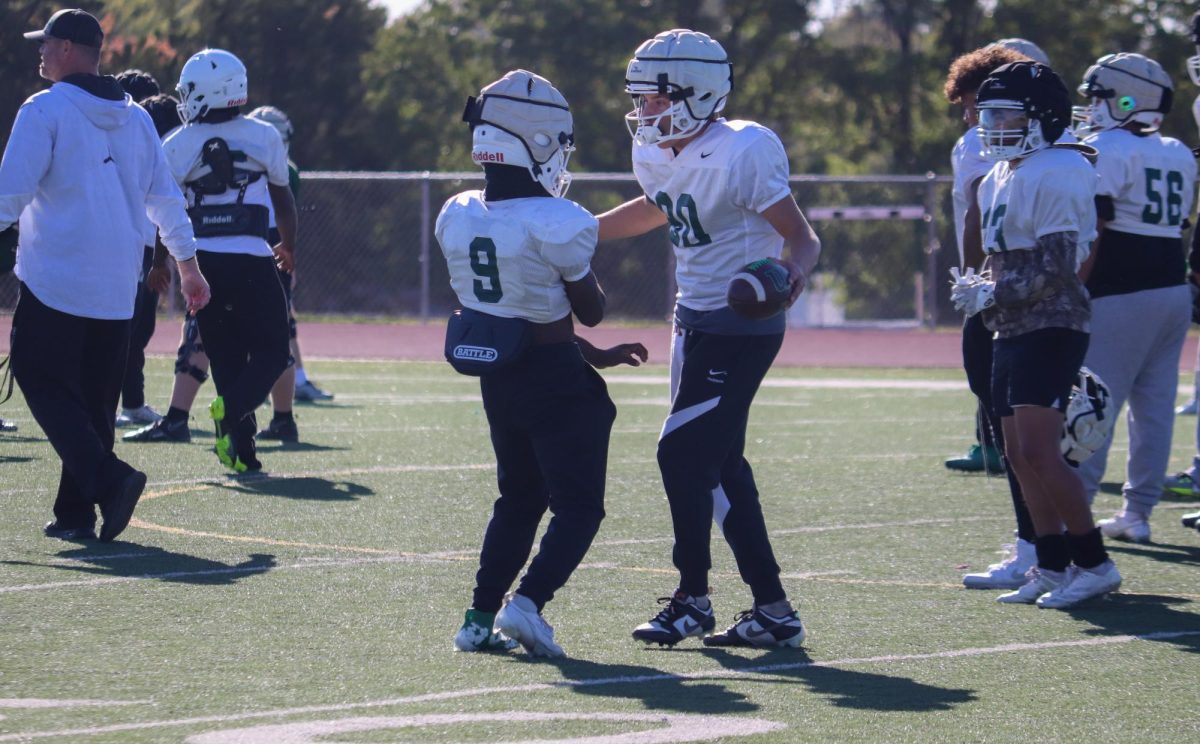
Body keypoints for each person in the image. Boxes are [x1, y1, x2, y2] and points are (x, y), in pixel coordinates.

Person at [596, 29, 819, 648]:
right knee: (717, 464)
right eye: (640, 98)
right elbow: (658, 206)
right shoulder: (658, 152)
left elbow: (802, 238)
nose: (644, 110)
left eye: (656, 98)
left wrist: (791, 274)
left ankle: (694, 598)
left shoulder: (743, 150)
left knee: (682, 454)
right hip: (690, 319)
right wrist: (585, 231)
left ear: (696, 93)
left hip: (743, 325)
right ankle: (773, 611)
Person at [443, 70, 647, 658]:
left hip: (502, 376)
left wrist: (595, 356)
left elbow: (512, 316)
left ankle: (476, 621)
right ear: (539, 141)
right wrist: (589, 329)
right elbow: (590, 310)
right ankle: (527, 604)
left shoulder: (458, 213)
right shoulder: (559, 220)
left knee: (518, 500)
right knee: (579, 506)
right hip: (554, 377)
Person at [0, 8, 209, 541]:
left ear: (68, 48)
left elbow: (10, 194)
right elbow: (166, 200)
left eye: (46, 44)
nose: (41, 52)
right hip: (119, 285)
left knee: (39, 376)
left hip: (57, 280)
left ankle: (110, 481)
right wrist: (188, 266)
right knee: (95, 402)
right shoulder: (138, 117)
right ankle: (75, 515)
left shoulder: (43, 109)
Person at [955, 60, 1120, 607]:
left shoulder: (1060, 169)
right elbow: (1006, 263)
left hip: (1052, 323)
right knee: (1017, 453)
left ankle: (1093, 562)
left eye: (1005, 113)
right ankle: (1049, 564)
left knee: (1042, 453)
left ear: (1042, 117)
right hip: (1011, 325)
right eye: (988, 113)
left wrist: (992, 293)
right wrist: (983, 286)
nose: (992, 124)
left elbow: (1056, 267)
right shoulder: (1003, 174)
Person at [1067, 53, 1193, 545]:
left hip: (1120, 291)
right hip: (1171, 289)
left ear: (1126, 101)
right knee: (1154, 409)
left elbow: (1095, 226)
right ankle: (1137, 514)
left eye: (1098, 98)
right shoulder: (1179, 150)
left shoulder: (1108, 149)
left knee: (1092, 403)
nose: (1091, 110)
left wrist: (1074, 286)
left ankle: (1070, 517)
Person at [162, 48, 295, 473]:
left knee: (228, 359)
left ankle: (242, 455)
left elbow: (161, 210)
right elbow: (282, 196)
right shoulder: (263, 136)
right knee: (274, 352)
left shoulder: (177, 145)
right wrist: (289, 245)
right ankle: (232, 412)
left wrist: (157, 263)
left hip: (202, 264)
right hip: (253, 260)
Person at [943, 43, 1042, 590]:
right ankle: (1048, 546)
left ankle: (1040, 546)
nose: (969, 117)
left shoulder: (984, 142)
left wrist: (977, 284)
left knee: (1020, 434)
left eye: (973, 103)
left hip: (1004, 299)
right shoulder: (1060, 149)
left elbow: (979, 213)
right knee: (1035, 434)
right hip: (1038, 296)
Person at [247, 105, 331, 445]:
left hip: (259, 250)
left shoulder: (279, 168)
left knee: (263, 336)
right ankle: (280, 409)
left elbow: (284, 210)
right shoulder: (276, 165)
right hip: (269, 250)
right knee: (275, 332)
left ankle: (250, 409)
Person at [113, 69, 167, 429]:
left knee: (140, 326)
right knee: (128, 326)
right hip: (130, 242)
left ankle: (131, 400)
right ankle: (128, 401)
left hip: (147, 243)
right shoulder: (122, 138)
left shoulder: (146, 138)